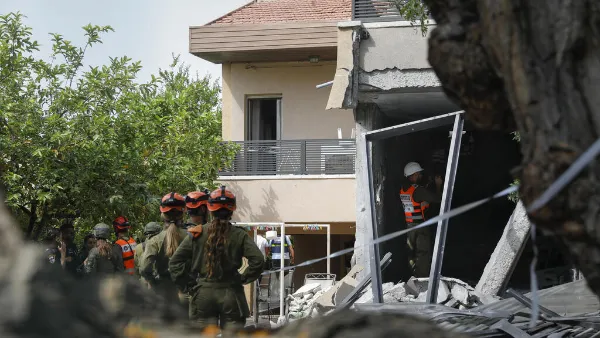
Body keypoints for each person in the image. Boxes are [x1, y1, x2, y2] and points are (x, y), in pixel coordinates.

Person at [169, 186, 263, 330]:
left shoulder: (197, 234)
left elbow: (175, 262)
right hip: (231, 293)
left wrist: (187, 285)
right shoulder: (240, 235)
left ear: (210, 209)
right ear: (232, 209)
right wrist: (243, 278)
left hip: (203, 294)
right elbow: (258, 260)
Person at [141, 193, 189, 309]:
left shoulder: (154, 241)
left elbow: (144, 268)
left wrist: (153, 283)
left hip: (161, 293)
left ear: (162, 214)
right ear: (183, 212)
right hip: (186, 292)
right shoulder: (191, 237)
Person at [399, 161, 443, 277]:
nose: (420, 176)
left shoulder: (403, 189)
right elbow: (437, 199)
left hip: (409, 227)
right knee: (423, 254)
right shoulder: (418, 190)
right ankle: (422, 281)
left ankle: (412, 277)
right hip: (420, 227)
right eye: (418, 174)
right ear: (413, 175)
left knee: (411, 253)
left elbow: (417, 200)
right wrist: (438, 185)